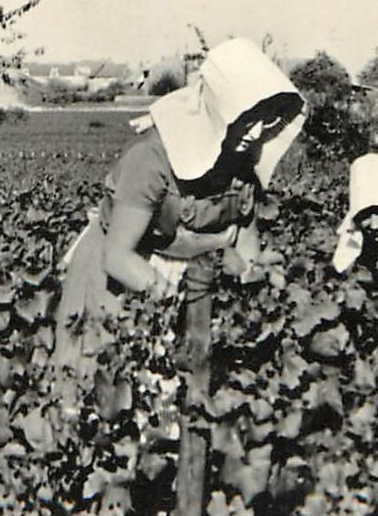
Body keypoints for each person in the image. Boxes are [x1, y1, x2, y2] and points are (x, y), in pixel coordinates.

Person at [55, 37, 306, 359]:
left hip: (192, 284)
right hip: (125, 275)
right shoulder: (151, 157)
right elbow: (118, 256)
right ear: (222, 111)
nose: (258, 132)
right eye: (249, 117)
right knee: (108, 377)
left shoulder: (243, 163)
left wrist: (253, 281)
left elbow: (246, 253)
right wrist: (178, 304)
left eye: (269, 119)